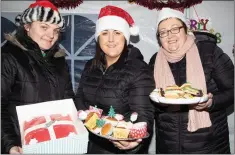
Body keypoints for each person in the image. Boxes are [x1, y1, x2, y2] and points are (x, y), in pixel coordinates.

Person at [149, 8, 234, 154]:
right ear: (159, 38)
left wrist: (211, 103)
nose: (169, 36)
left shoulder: (209, 52)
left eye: (175, 29)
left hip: (208, 145)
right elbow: (152, 101)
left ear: (186, 29)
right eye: (163, 32)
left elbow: (232, 90)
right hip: (168, 145)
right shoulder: (154, 62)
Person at [75, 5, 155, 154]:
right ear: (98, 37)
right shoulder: (90, 66)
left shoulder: (139, 69)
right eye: (105, 33)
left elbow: (144, 115)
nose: (111, 39)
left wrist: (134, 144)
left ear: (125, 36)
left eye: (117, 33)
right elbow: (79, 98)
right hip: (89, 146)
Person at [1, 1, 74, 154]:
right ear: (27, 26)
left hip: (55, 142)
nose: (51, 35)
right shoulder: (9, 57)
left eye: (56, 30)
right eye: (44, 27)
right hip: (22, 145)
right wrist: (10, 144)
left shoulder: (59, 60)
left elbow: (68, 100)